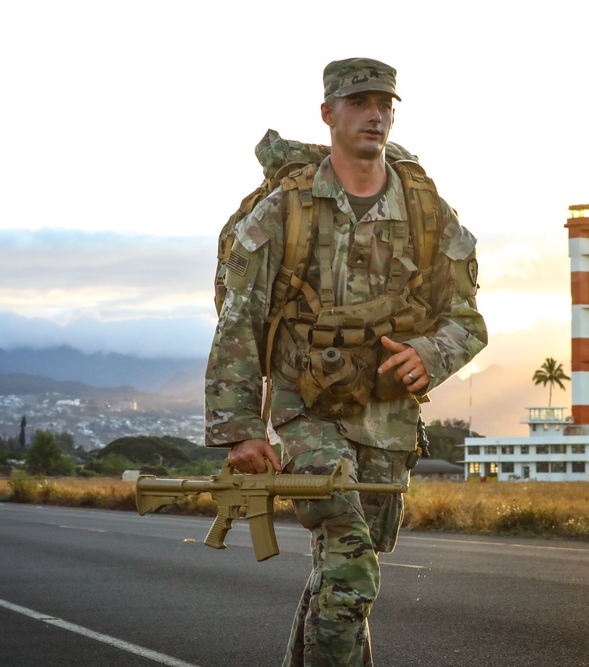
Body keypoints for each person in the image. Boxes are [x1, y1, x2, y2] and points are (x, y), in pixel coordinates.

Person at [205, 57, 487, 667]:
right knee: (352, 568)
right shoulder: (286, 210)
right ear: (328, 113)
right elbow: (239, 322)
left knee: (340, 572)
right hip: (305, 410)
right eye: (359, 103)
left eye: (386, 104)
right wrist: (242, 430)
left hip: (388, 418)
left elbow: (465, 320)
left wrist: (431, 353)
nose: (375, 115)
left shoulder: (427, 210)